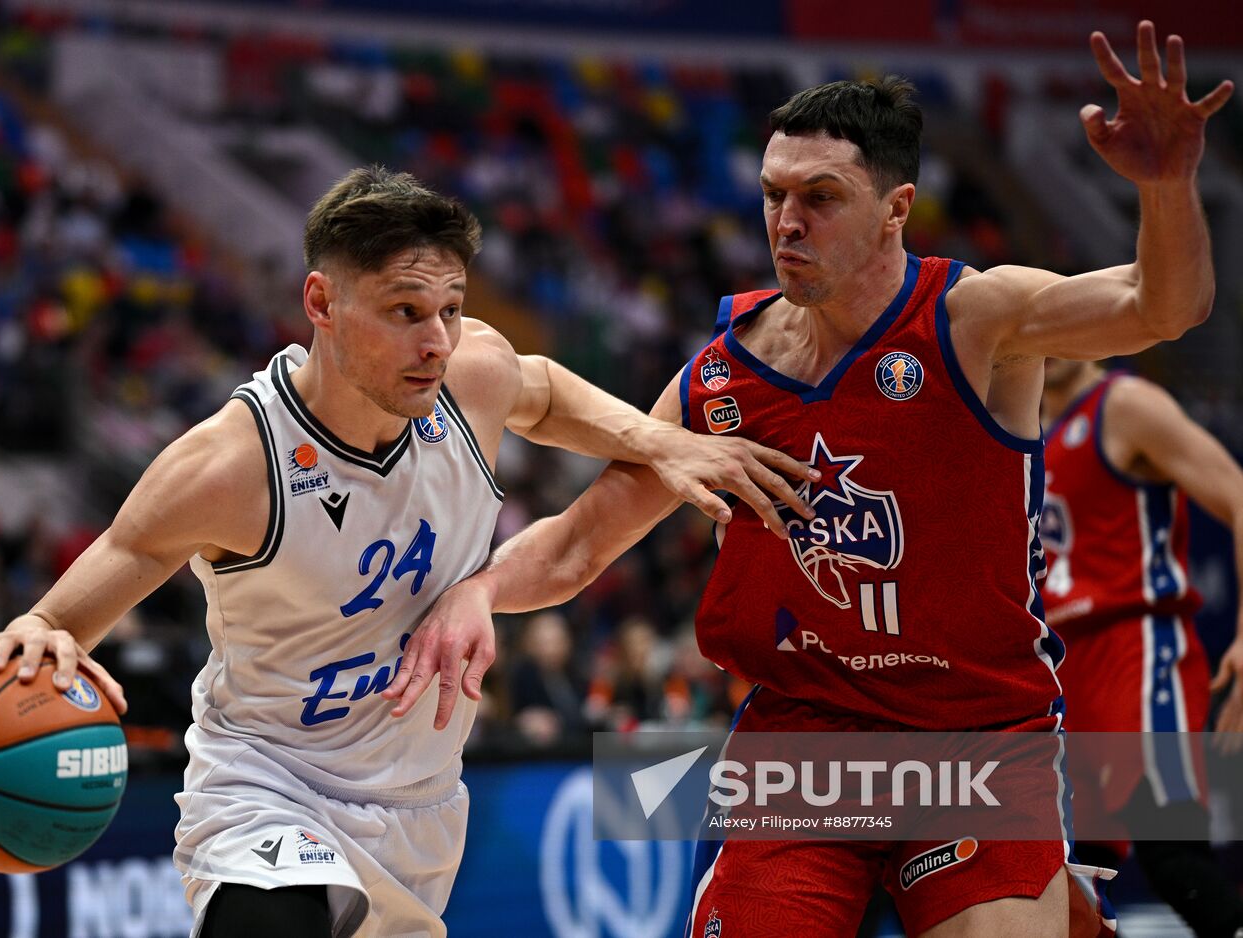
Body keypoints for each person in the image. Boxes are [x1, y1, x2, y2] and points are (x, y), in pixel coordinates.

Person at [389, 22, 1234, 937]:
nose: (786, 222)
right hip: (806, 747)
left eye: (820, 198)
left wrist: (1166, 187)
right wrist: (476, 591)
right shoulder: (723, 376)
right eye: (772, 195)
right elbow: (585, 541)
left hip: (975, 737)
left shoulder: (975, 318)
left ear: (896, 209)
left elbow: (1163, 305)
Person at [0, 166, 816, 938]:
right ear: (323, 305)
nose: (436, 339)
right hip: (269, 788)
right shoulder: (231, 466)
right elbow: (81, 601)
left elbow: (544, 390)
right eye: (405, 312)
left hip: (421, 814)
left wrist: (653, 439)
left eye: (449, 308)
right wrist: (41, 628)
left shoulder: (469, 373)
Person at [1040, 357, 1243, 937]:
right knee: (1071, 880)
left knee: (1173, 853)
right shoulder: (1021, 426)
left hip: (1137, 647)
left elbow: (1238, 494)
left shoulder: (1125, 405)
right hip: (1059, 668)